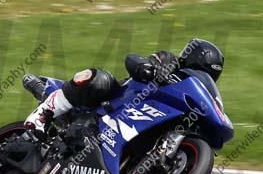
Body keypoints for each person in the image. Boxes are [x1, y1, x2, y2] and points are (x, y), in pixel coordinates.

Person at [24, 39, 224, 136]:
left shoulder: (192, 97)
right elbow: (133, 59)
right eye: (202, 70)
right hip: (114, 102)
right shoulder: (169, 61)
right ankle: (42, 115)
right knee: (101, 79)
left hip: (141, 125)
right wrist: (149, 69)